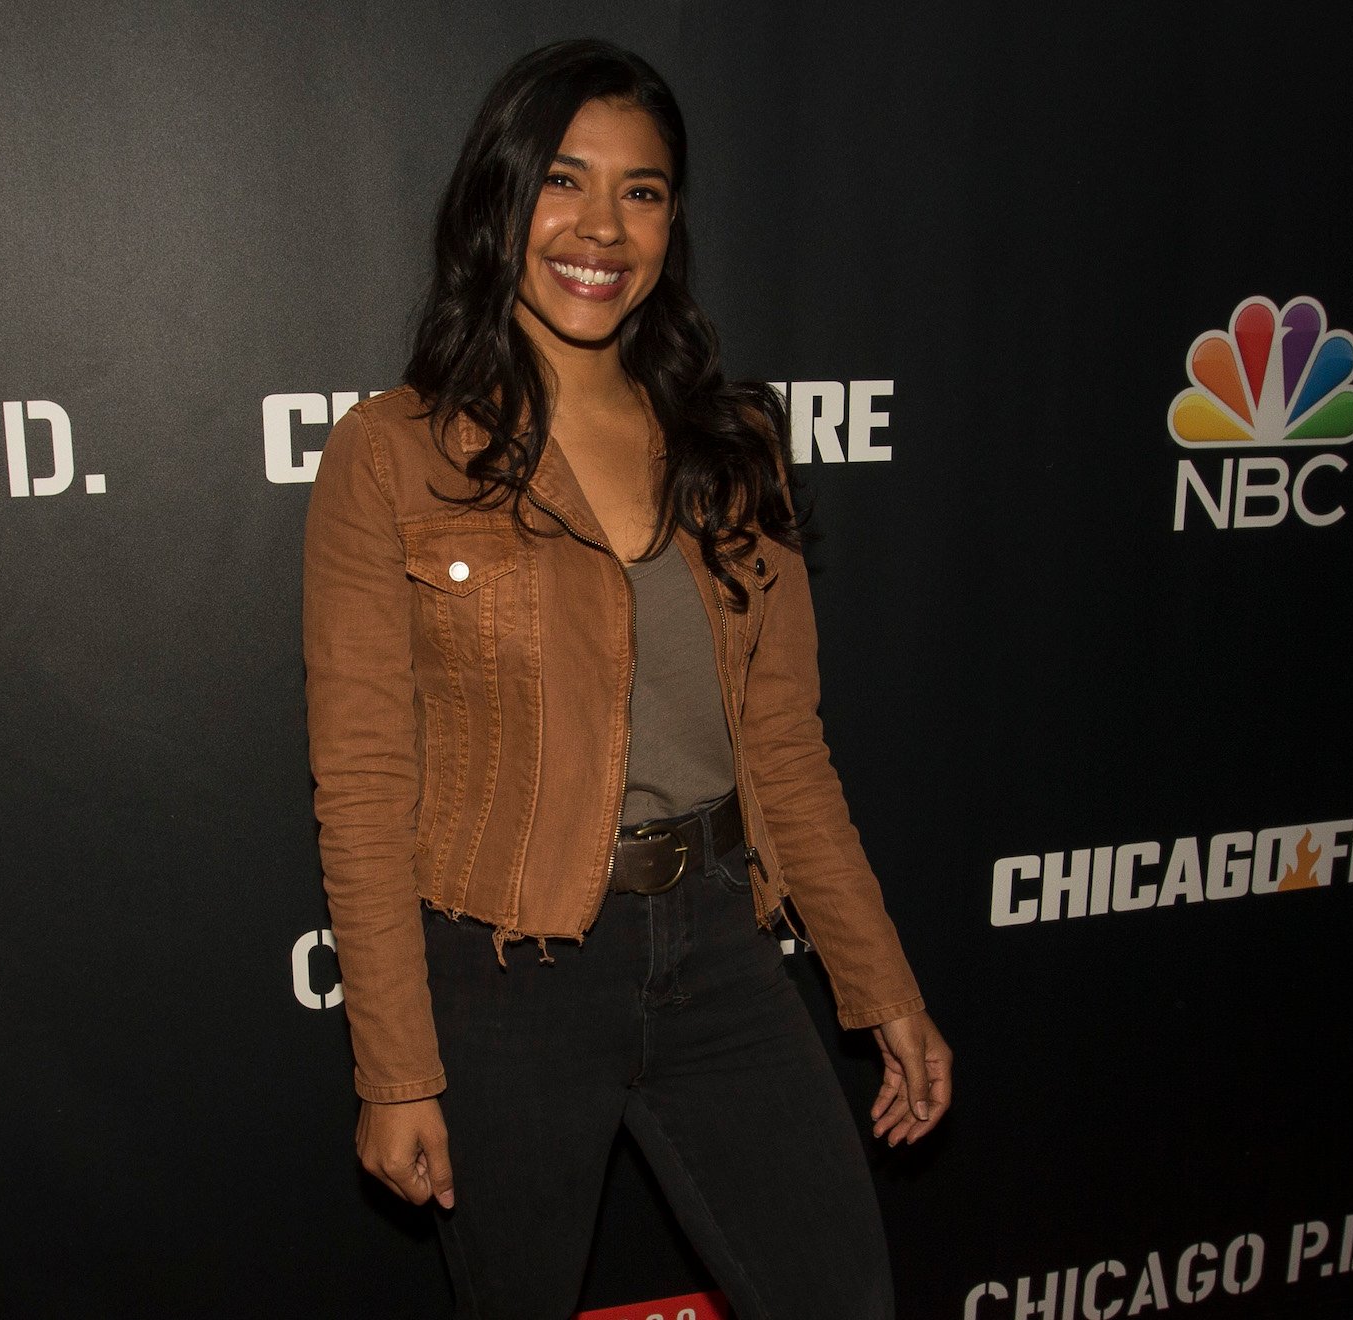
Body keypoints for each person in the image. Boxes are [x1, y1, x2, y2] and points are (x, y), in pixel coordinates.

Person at [303, 37, 952, 1320]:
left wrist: (879, 985)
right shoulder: (391, 455)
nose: (601, 226)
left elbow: (786, 750)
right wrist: (394, 1069)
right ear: (499, 200)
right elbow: (366, 785)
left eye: (642, 191)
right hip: (505, 983)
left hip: (716, 944)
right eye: (562, 179)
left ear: (672, 222)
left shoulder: (730, 442)